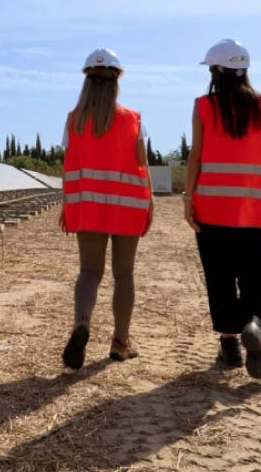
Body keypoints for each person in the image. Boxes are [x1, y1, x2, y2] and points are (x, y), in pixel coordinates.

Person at [184, 39, 261, 380]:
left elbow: (196, 156)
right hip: (257, 209)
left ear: (217, 70)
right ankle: (253, 322)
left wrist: (188, 198)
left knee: (220, 277)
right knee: (257, 275)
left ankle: (230, 345)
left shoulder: (204, 106)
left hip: (213, 208)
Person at [60, 48, 154, 370]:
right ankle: (120, 342)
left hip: (87, 206)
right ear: (116, 81)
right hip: (128, 207)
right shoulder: (133, 119)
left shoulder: (73, 120)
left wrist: (67, 205)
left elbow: (69, 165)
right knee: (123, 273)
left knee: (89, 271)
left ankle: (82, 324)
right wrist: (150, 202)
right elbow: (143, 165)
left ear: (87, 81)